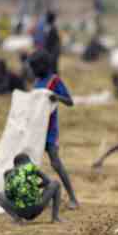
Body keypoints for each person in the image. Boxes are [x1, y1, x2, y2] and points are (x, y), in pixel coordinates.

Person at [30, 51, 79, 209]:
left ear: (43, 65)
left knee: (55, 163)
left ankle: (72, 198)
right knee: (30, 164)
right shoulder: (37, 81)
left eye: (35, 67)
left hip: (49, 130)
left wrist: (56, 97)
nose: (33, 71)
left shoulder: (54, 80)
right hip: (36, 129)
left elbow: (70, 101)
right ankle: (37, 194)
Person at [0, 153, 65, 224]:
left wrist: (18, 192)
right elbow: (47, 181)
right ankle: (55, 217)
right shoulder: (31, 167)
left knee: (0, 195)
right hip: (37, 206)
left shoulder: (9, 174)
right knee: (56, 183)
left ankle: (17, 219)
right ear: (28, 161)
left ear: (15, 164)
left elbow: (8, 194)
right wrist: (36, 186)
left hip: (20, 210)